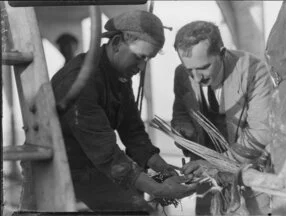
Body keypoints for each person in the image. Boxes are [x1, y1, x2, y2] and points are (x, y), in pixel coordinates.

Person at [51, 10, 196, 212]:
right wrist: (160, 190)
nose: (142, 66)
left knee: (140, 205)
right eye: (139, 57)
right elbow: (108, 155)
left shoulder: (119, 75)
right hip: (61, 171)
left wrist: (165, 170)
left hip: (93, 168)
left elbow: (134, 134)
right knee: (137, 210)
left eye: (148, 59)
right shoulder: (80, 81)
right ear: (117, 42)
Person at [171, 21, 273, 215]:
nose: (196, 77)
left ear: (222, 53)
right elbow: (181, 113)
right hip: (207, 180)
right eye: (189, 69)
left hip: (250, 177)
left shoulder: (253, 71)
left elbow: (261, 132)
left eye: (204, 67)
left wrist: (215, 162)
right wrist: (183, 131)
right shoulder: (181, 74)